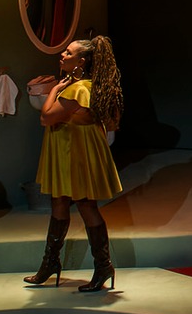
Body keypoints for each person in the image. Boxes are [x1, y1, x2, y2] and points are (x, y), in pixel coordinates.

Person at [24, 34, 126, 293]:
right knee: (59, 202)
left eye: (69, 53)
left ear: (81, 61)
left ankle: (103, 266)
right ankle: (50, 264)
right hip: (68, 150)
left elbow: (46, 118)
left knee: (85, 205)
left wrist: (54, 90)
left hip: (76, 153)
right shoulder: (83, 86)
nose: (62, 55)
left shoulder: (78, 89)